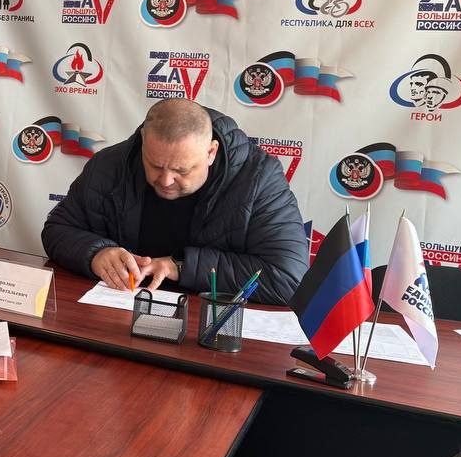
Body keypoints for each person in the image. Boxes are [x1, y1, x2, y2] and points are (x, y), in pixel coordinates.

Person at [41, 99, 307, 306]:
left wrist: (179, 266)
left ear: (211, 152)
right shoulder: (111, 165)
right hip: (119, 311)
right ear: (144, 141)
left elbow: (288, 278)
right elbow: (57, 229)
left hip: (206, 325)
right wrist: (96, 253)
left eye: (181, 170)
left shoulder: (259, 180)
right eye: (155, 165)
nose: (166, 180)